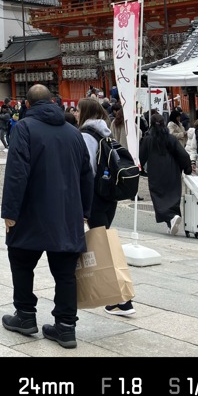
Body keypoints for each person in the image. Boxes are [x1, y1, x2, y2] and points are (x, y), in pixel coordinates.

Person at [1, 85, 93, 348]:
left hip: (30, 210)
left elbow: (17, 172)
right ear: (53, 102)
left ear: (27, 105)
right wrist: (85, 211)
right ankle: (65, 327)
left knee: (21, 262)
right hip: (67, 213)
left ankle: (25, 316)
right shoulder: (74, 133)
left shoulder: (24, 128)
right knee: (65, 273)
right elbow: (86, 175)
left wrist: (10, 212)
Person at [77, 96, 137, 317]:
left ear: (84, 112)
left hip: (95, 195)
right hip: (108, 194)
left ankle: (123, 300)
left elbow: (87, 169)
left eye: (77, 109)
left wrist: (82, 204)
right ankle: (116, 298)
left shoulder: (85, 135)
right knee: (105, 242)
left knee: (104, 246)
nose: (74, 113)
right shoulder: (105, 131)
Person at [141, 111, 192, 235]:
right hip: (172, 170)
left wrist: (139, 169)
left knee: (158, 197)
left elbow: (141, 156)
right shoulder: (171, 138)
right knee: (172, 195)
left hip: (156, 172)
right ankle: (172, 219)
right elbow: (183, 154)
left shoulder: (148, 139)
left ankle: (171, 218)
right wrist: (187, 168)